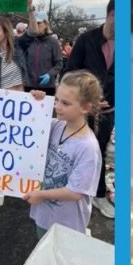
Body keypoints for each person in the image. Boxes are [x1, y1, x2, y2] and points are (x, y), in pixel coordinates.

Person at [25, 73, 104, 237]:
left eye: (65, 103)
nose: (57, 106)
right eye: (56, 100)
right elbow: (30, 126)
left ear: (85, 108)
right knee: (43, 243)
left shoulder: (88, 148)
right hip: (44, 214)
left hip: (67, 223)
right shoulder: (57, 125)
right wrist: (35, 103)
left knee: (60, 252)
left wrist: (41, 194)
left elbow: (76, 192)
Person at [64, 0, 115, 217]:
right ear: (111, 15)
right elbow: (69, 74)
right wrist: (87, 98)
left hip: (108, 111)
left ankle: (98, 195)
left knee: (99, 151)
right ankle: (69, 192)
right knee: (75, 149)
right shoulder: (86, 40)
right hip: (83, 111)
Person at [17, 0, 63, 95]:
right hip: (29, 86)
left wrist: (49, 74)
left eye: (39, 23)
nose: (37, 26)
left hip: (47, 86)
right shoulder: (28, 41)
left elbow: (59, 63)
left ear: (46, 24)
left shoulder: (53, 42)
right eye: (35, 23)